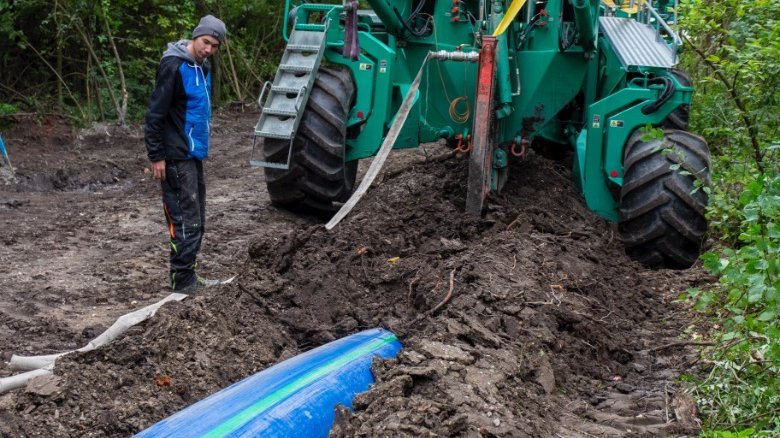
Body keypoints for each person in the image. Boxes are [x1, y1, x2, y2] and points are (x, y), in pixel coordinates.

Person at [144, 15, 227, 294]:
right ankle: (182, 281)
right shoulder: (173, 65)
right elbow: (155, 114)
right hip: (175, 154)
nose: (209, 50)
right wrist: (156, 155)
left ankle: (189, 275)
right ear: (196, 37)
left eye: (215, 46)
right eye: (206, 42)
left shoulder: (202, 68)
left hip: (193, 154)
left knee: (198, 217)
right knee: (185, 218)